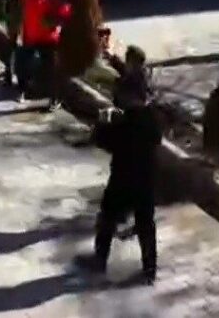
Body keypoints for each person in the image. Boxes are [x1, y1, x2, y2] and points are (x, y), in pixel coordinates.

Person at [77, 46, 161, 283]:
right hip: (147, 178)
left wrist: (103, 123)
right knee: (146, 223)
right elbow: (156, 139)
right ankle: (150, 269)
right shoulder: (152, 118)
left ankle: (100, 260)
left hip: (123, 178)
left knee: (108, 217)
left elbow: (105, 142)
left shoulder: (124, 123)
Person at [15, 0, 62, 107]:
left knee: (52, 69)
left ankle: (55, 98)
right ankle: (23, 91)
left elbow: (62, 13)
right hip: (30, 35)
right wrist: (19, 30)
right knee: (21, 63)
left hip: (48, 38)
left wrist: (52, 22)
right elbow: (22, 11)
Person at [4, 0, 38, 86]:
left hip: (29, 8)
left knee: (26, 43)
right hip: (16, 6)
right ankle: (9, 71)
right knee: (13, 41)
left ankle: (22, 75)